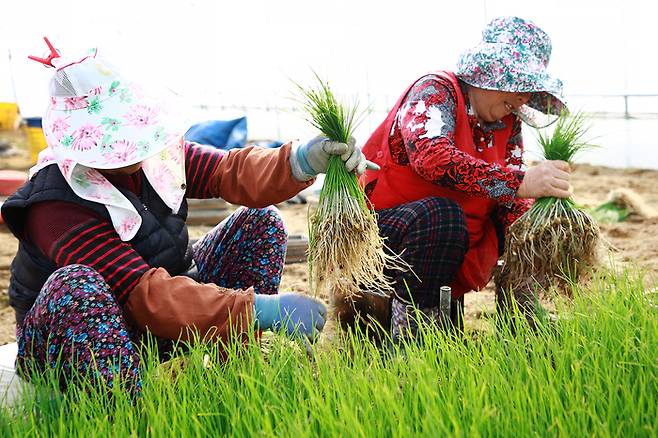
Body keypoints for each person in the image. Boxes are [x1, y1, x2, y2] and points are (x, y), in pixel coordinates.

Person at [1, 39, 372, 395]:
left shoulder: (156, 156)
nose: (132, 150)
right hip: (75, 344)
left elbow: (230, 171)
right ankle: (125, 409)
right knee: (78, 285)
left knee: (262, 224)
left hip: (155, 320)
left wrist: (300, 160)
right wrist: (259, 310)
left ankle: (237, 379)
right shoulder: (54, 205)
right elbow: (144, 293)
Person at [359, 16, 571, 339]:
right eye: (521, 86)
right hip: (384, 238)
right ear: (492, 72)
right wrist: (521, 183)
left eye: (529, 91)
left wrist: (540, 224)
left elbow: (511, 195)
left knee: (517, 219)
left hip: (447, 252)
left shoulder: (507, 123)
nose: (525, 98)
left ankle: (520, 322)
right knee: (444, 216)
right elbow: (431, 158)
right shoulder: (434, 91)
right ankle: (409, 339)